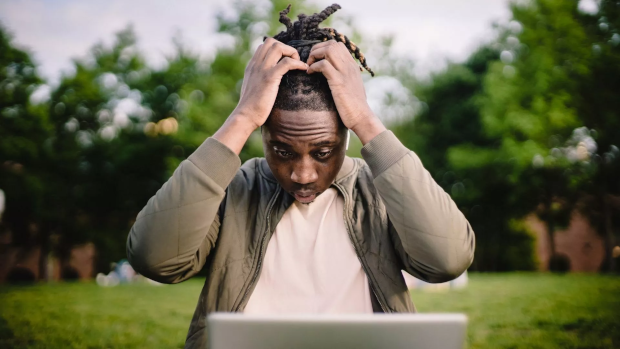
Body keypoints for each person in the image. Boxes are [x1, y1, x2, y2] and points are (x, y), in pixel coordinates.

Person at [126, 4, 475, 348]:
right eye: (282, 151)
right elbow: (155, 259)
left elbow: (447, 261)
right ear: (262, 134)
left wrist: (366, 119)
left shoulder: (381, 188)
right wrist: (242, 116)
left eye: (323, 152)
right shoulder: (233, 188)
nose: (302, 174)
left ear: (347, 136)